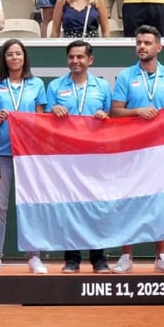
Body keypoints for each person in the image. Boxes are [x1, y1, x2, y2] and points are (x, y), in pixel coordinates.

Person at [108, 25, 164, 273]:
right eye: (139, 42)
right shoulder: (125, 76)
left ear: (158, 47)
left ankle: (161, 256)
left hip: (161, 150)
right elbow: (115, 111)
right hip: (131, 150)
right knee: (128, 201)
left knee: (160, 202)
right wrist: (138, 112)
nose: (142, 46)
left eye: (147, 43)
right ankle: (126, 256)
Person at [46, 40, 111, 272]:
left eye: (80, 57)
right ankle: (72, 259)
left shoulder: (102, 87)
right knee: (70, 207)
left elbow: (111, 118)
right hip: (67, 156)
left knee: (96, 207)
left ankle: (98, 258)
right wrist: (52, 111)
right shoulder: (54, 86)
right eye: (71, 57)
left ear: (90, 60)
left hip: (95, 156)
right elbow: (44, 122)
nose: (75, 61)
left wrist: (105, 115)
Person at [0, 39, 47, 274]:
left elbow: (42, 119)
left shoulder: (36, 84)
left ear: (24, 57)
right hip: (1, 152)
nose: (14, 58)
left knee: (31, 205)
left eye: (18, 54)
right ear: (4, 58)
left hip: (28, 155)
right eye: (10, 54)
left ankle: (34, 256)